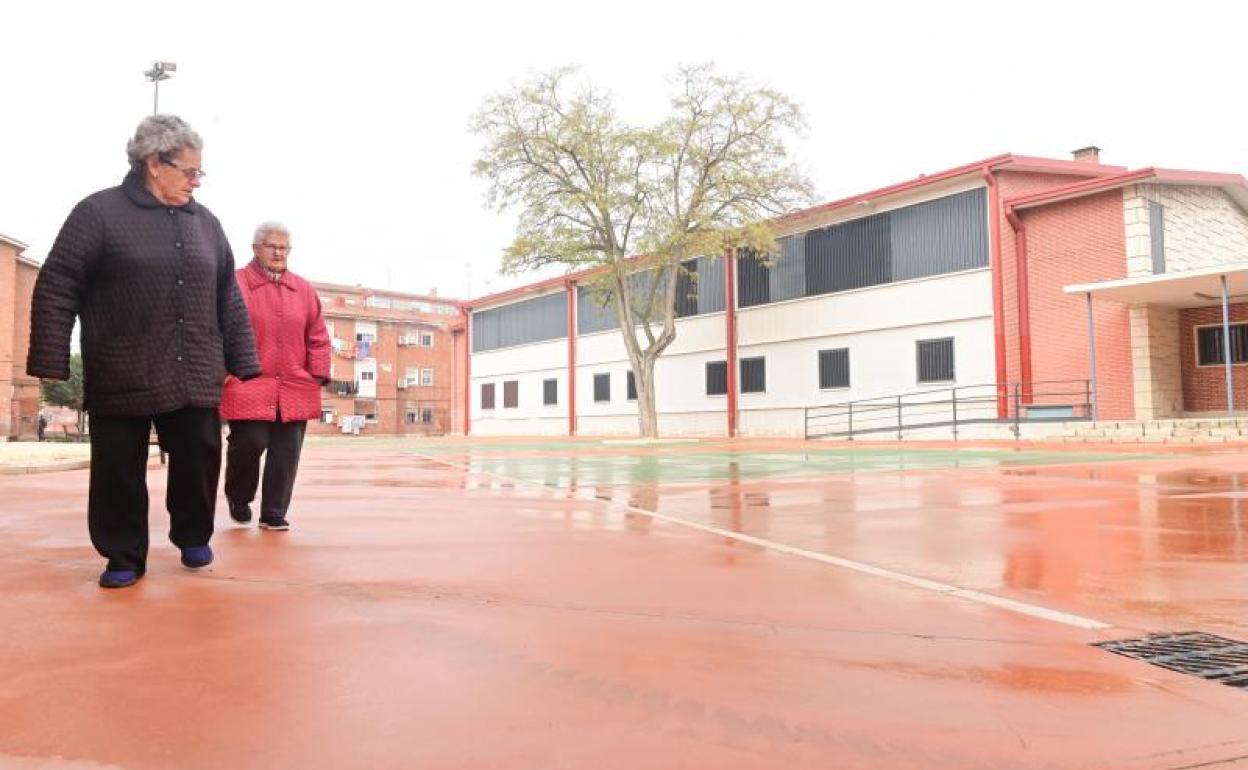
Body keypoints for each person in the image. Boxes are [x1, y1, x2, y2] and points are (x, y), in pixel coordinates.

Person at [27, 115, 260, 589]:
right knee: (118, 467)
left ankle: (192, 533)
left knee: (199, 453)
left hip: (193, 364)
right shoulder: (98, 213)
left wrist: (243, 357)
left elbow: (227, 294)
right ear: (154, 163)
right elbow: (57, 286)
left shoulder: (206, 223)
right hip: (122, 365)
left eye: (200, 173)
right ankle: (123, 554)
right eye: (189, 171)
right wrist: (50, 358)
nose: (197, 181)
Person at [220, 222, 329, 531]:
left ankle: (273, 512)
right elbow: (217, 330)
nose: (279, 252)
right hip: (248, 380)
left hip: (296, 383)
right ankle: (239, 496)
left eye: (284, 247)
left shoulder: (304, 288)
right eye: (272, 246)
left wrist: (317, 374)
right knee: (249, 442)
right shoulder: (235, 283)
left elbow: (318, 335)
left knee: (287, 451)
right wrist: (224, 372)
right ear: (256, 248)